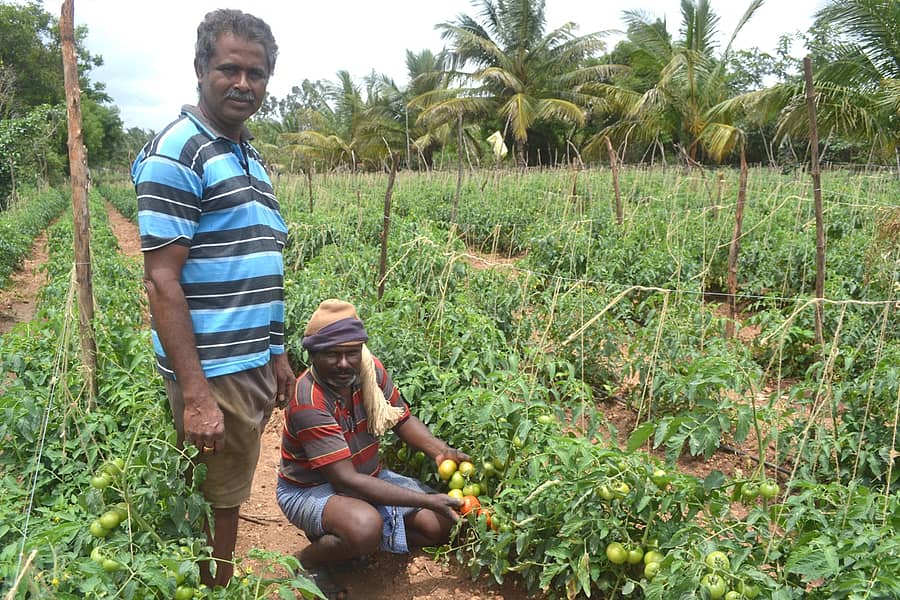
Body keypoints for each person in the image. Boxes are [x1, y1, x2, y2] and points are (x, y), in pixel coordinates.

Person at [131, 9, 294, 589]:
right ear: (201, 68)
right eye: (229, 69)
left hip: (248, 360)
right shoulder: (178, 151)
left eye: (256, 73)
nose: (243, 84)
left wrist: (275, 349)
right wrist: (196, 394)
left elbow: (264, 261)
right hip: (214, 367)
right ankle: (213, 587)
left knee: (226, 488)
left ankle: (213, 578)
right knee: (217, 501)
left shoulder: (249, 156)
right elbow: (162, 283)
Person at [277, 299, 467, 596]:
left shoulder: (368, 370)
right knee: (365, 526)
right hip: (311, 489)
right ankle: (309, 561)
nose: (343, 363)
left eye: (351, 352)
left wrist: (439, 450)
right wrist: (426, 500)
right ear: (312, 354)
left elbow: (401, 418)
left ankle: (353, 538)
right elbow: (345, 480)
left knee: (441, 526)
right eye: (332, 354)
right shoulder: (308, 400)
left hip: (368, 476)